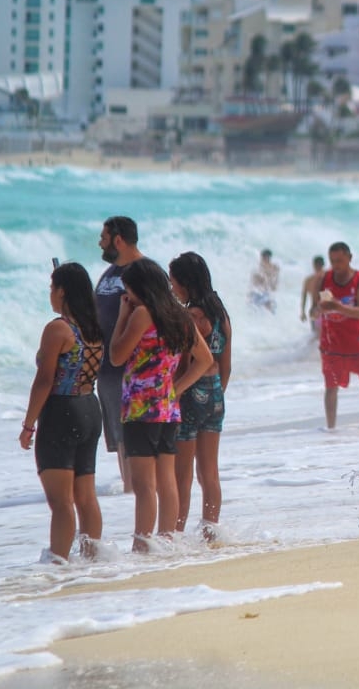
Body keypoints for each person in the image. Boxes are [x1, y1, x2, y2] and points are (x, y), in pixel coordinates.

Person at [110, 259, 214, 553]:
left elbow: (117, 356)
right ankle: (168, 541)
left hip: (140, 410)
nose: (127, 294)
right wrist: (174, 389)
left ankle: (142, 544)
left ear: (139, 287)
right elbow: (205, 360)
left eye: (128, 289)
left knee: (144, 485)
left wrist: (121, 315)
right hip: (168, 410)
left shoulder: (142, 314)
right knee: (167, 480)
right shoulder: (179, 315)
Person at [20, 262, 104, 563]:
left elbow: (44, 380)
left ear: (62, 291)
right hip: (90, 409)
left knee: (61, 502)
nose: (50, 295)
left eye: (51, 288)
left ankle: (59, 563)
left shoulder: (58, 329)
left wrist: (28, 424)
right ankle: (95, 558)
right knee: (85, 496)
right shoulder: (93, 328)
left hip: (61, 412)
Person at [168, 252, 232, 537]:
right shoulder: (221, 313)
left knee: (182, 476)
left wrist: (174, 393)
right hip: (216, 392)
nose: (172, 289)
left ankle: (177, 536)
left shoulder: (190, 315)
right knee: (210, 473)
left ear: (186, 283)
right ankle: (211, 532)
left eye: (173, 283)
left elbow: (183, 363)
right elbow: (226, 365)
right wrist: (216, 395)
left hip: (191, 394)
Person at [94, 216, 144, 495]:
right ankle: (129, 497)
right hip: (108, 370)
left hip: (136, 370)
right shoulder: (110, 273)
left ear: (118, 240)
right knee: (119, 439)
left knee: (135, 440)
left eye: (103, 237)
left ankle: (137, 505)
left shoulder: (145, 271)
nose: (99, 242)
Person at [309, 242, 359, 430]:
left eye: (339, 261)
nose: (335, 265)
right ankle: (331, 428)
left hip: (357, 341)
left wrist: (338, 307)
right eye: (332, 261)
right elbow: (312, 312)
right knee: (330, 387)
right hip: (331, 343)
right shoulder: (322, 279)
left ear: (350, 258)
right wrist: (319, 309)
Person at [299, 255, 326, 339]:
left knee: (316, 337)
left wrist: (302, 312)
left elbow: (304, 297)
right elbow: (327, 297)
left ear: (313, 265)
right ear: (323, 265)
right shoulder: (327, 277)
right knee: (324, 338)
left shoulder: (308, 280)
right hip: (324, 311)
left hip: (313, 311)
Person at [248, 248, 280, 313]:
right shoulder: (259, 267)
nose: (263, 259)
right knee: (267, 309)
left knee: (269, 308)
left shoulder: (273, 268)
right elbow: (254, 283)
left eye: (265, 257)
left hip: (263, 293)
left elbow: (274, 286)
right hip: (257, 293)